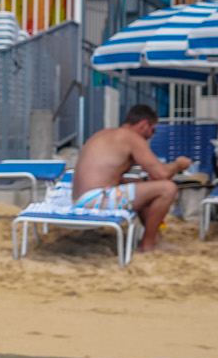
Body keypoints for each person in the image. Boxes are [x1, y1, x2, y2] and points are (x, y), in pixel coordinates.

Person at [71, 104, 190, 253]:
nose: (151, 136)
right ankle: (148, 245)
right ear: (144, 124)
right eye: (152, 130)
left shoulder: (104, 133)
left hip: (81, 199)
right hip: (96, 200)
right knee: (167, 188)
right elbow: (162, 174)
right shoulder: (132, 138)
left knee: (142, 186)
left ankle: (156, 238)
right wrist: (179, 165)